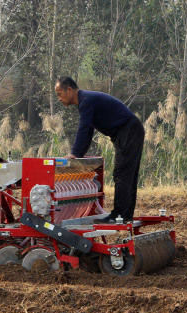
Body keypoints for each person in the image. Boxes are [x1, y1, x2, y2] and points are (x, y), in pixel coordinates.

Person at [55, 76, 145, 222]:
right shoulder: (85, 100)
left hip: (128, 131)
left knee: (122, 174)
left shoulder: (86, 101)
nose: (59, 98)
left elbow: (84, 129)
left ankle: (120, 216)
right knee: (126, 174)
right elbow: (88, 131)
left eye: (59, 94)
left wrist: (75, 154)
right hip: (129, 130)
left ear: (69, 90)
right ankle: (125, 215)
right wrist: (78, 154)